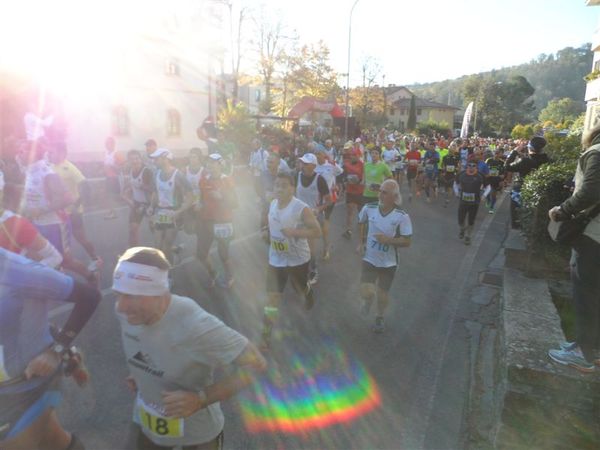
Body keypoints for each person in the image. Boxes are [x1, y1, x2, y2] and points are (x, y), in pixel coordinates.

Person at [112, 246, 266, 450]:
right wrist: (142, 374)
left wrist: (200, 399)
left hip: (197, 437)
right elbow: (148, 347)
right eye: (118, 295)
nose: (121, 307)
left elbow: (257, 365)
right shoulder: (128, 313)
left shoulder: (195, 325)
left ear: (158, 292)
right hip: (147, 425)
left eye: (131, 296)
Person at [0, 248, 101, 450]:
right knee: (54, 442)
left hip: (26, 387)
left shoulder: (18, 270)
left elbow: (89, 296)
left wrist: (57, 350)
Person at [547, 123, 600, 373]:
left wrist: (562, 210)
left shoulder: (597, 151)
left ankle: (584, 354)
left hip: (593, 236)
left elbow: (591, 190)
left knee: (586, 293)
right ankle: (591, 347)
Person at [19, 140, 96, 283]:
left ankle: (91, 278)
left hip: (55, 224)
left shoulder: (47, 172)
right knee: (36, 255)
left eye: (22, 150)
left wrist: (41, 210)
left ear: (32, 153)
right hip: (37, 223)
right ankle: (56, 283)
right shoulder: (29, 170)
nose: (19, 154)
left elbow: (68, 198)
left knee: (65, 260)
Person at [261, 172, 322, 349]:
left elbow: (316, 232)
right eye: (277, 185)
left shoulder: (301, 208)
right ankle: (266, 334)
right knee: (273, 298)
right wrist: (266, 232)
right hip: (276, 259)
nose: (279, 188)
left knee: (300, 289)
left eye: (283, 185)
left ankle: (307, 290)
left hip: (298, 260)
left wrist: (295, 233)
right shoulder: (272, 204)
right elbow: (272, 225)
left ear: (292, 188)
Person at [357, 179, 412, 333]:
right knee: (366, 291)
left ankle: (379, 316)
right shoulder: (369, 208)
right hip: (370, 258)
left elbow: (407, 242)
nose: (381, 195)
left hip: (389, 262)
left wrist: (388, 240)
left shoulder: (402, 216)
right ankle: (368, 301)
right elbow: (361, 223)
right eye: (380, 191)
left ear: (394, 197)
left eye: (385, 193)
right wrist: (361, 242)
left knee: (382, 294)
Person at [49, 141, 102, 272]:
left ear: (62, 153)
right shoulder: (49, 166)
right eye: (49, 152)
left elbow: (85, 185)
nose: (50, 154)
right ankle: (59, 266)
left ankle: (96, 259)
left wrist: (75, 205)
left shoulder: (69, 167)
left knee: (81, 239)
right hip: (57, 213)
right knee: (58, 242)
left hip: (72, 213)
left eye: (52, 152)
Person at [199, 154, 238, 288]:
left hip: (223, 221)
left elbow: (235, 203)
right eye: (208, 162)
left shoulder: (227, 180)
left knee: (223, 253)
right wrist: (199, 204)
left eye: (213, 162)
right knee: (201, 253)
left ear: (220, 164)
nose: (210, 165)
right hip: (207, 220)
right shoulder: (204, 180)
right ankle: (213, 274)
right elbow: (201, 198)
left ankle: (230, 275)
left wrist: (221, 197)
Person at [149, 148, 192, 265]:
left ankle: (169, 274)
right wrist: (151, 207)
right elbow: (155, 192)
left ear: (166, 159)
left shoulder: (178, 175)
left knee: (166, 247)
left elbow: (190, 197)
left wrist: (179, 211)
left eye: (156, 159)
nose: (154, 161)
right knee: (158, 246)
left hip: (173, 214)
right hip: (160, 213)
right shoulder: (156, 173)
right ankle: (168, 263)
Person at [295, 153, 331, 284]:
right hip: (297, 216)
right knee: (297, 244)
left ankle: (313, 270)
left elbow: (329, 200)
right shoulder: (297, 176)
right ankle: (299, 268)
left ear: (313, 166)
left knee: (310, 247)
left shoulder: (320, 180)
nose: (302, 166)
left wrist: (318, 209)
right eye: (302, 163)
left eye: (306, 164)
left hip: (312, 217)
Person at [504, 136, 550, 229]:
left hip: (521, 190)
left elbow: (507, 166)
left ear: (530, 148)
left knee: (518, 215)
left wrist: (514, 152)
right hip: (540, 192)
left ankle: (517, 224)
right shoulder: (549, 161)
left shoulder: (524, 161)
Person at [315, 148, 342, 261]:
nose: (317, 156)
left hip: (329, 199)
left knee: (324, 224)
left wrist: (337, 186)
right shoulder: (313, 166)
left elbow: (340, 173)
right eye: (316, 154)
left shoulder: (330, 166)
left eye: (319, 154)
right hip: (315, 200)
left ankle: (326, 248)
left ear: (324, 156)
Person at [123, 150, 155, 247]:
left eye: (137, 158)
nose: (135, 161)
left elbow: (154, 190)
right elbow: (130, 186)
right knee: (133, 229)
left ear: (140, 159)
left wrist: (141, 186)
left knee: (155, 230)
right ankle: (134, 253)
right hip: (137, 204)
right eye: (132, 159)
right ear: (128, 161)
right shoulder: (130, 171)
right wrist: (127, 195)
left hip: (149, 204)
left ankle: (168, 249)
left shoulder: (146, 171)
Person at [457, 161, 485, 246]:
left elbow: (488, 186)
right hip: (463, 201)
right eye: (469, 165)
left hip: (474, 202)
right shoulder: (461, 174)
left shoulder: (480, 176)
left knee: (471, 221)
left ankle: (468, 237)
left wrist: (484, 195)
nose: (471, 167)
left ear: (476, 167)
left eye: (474, 166)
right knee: (460, 220)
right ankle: (462, 229)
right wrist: (456, 192)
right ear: (467, 167)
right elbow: (455, 184)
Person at [342, 148, 364, 239]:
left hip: (360, 191)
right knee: (350, 211)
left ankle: (362, 231)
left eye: (354, 155)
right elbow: (343, 176)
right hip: (350, 191)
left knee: (361, 212)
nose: (352, 156)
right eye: (351, 155)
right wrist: (345, 181)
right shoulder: (346, 164)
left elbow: (364, 177)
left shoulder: (362, 165)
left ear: (358, 156)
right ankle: (348, 230)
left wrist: (359, 180)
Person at [103, 136, 125, 220]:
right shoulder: (105, 154)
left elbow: (122, 168)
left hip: (116, 178)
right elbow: (105, 166)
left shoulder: (117, 154)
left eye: (110, 143)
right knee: (109, 195)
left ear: (113, 144)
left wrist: (112, 166)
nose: (108, 145)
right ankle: (112, 212)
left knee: (118, 195)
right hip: (108, 177)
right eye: (107, 143)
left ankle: (114, 212)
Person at [485, 149, 505, 214]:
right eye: (495, 153)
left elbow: (503, 173)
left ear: (500, 154)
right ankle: (488, 200)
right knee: (487, 193)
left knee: (493, 194)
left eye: (498, 153)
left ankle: (491, 207)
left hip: (496, 180)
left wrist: (502, 180)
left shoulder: (502, 162)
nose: (496, 154)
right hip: (488, 179)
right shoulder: (489, 160)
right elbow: (485, 168)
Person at [440, 143, 460, 207]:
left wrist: (456, 170)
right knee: (446, 188)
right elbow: (442, 165)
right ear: (448, 151)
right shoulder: (445, 157)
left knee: (450, 188)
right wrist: (443, 169)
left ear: (454, 151)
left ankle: (447, 200)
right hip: (446, 174)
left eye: (452, 151)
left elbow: (459, 166)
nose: (450, 152)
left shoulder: (456, 158)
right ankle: (446, 198)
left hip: (453, 175)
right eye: (449, 151)